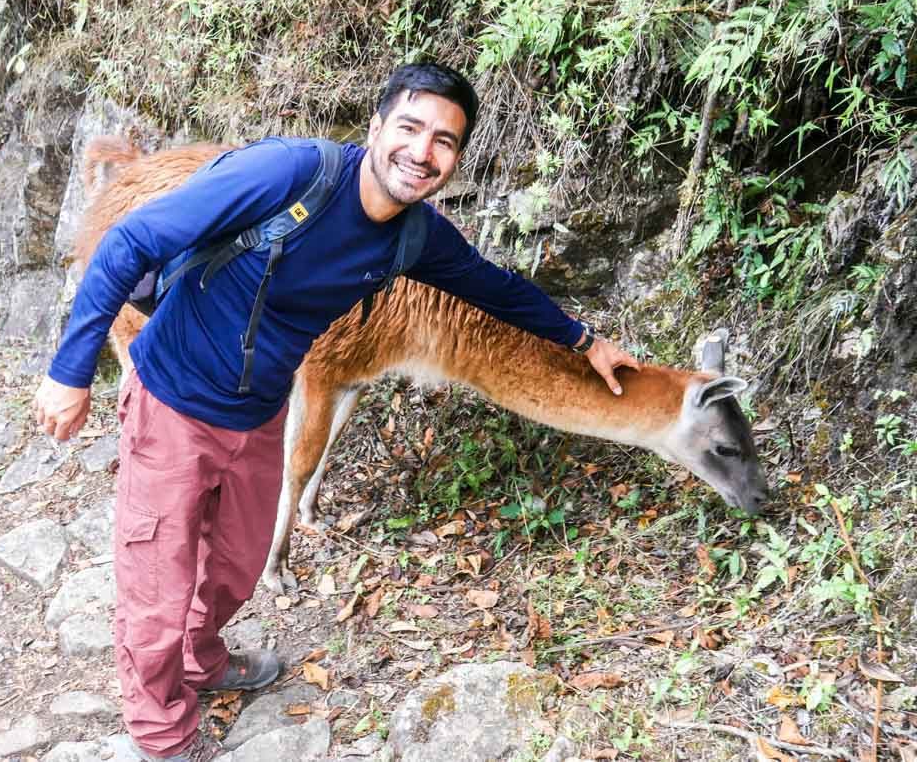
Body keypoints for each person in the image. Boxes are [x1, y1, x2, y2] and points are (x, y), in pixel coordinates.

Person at [33, 62, 640, 761]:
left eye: (445, 141)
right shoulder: (290, 173)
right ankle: (163, 735)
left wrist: (584, 338)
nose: (423, 151)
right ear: (377, 126)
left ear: (456, 158)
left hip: (257, 412)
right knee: (157, 583)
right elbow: (130, 243)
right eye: (410, 127)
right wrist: (70, 371)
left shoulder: (415, 236)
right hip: (174, 398)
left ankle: (201, 660)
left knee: (237, 562)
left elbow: (491, 286)